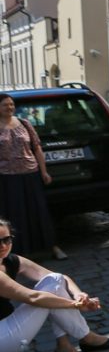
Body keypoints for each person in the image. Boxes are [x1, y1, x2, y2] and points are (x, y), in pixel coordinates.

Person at [0, 218, 109, 352]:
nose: (3, 246)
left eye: (7, 239)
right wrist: (75, 304)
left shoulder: (11, 260)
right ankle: (86, 338)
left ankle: (65, 345)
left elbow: (58, 279)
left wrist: (79, 294)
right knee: (50, 294)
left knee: (54, 281)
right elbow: (33, 297)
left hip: (7, 326)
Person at [0, 93, 66, 260]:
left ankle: (52, 247)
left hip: (31, 174)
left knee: (39, 212)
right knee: (14, 214)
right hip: (8, 177)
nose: (9, 107)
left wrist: (44, 171)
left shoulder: (24, 123)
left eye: (11, 104)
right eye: (5, 105)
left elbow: (37, 148)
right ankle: (17, 254)